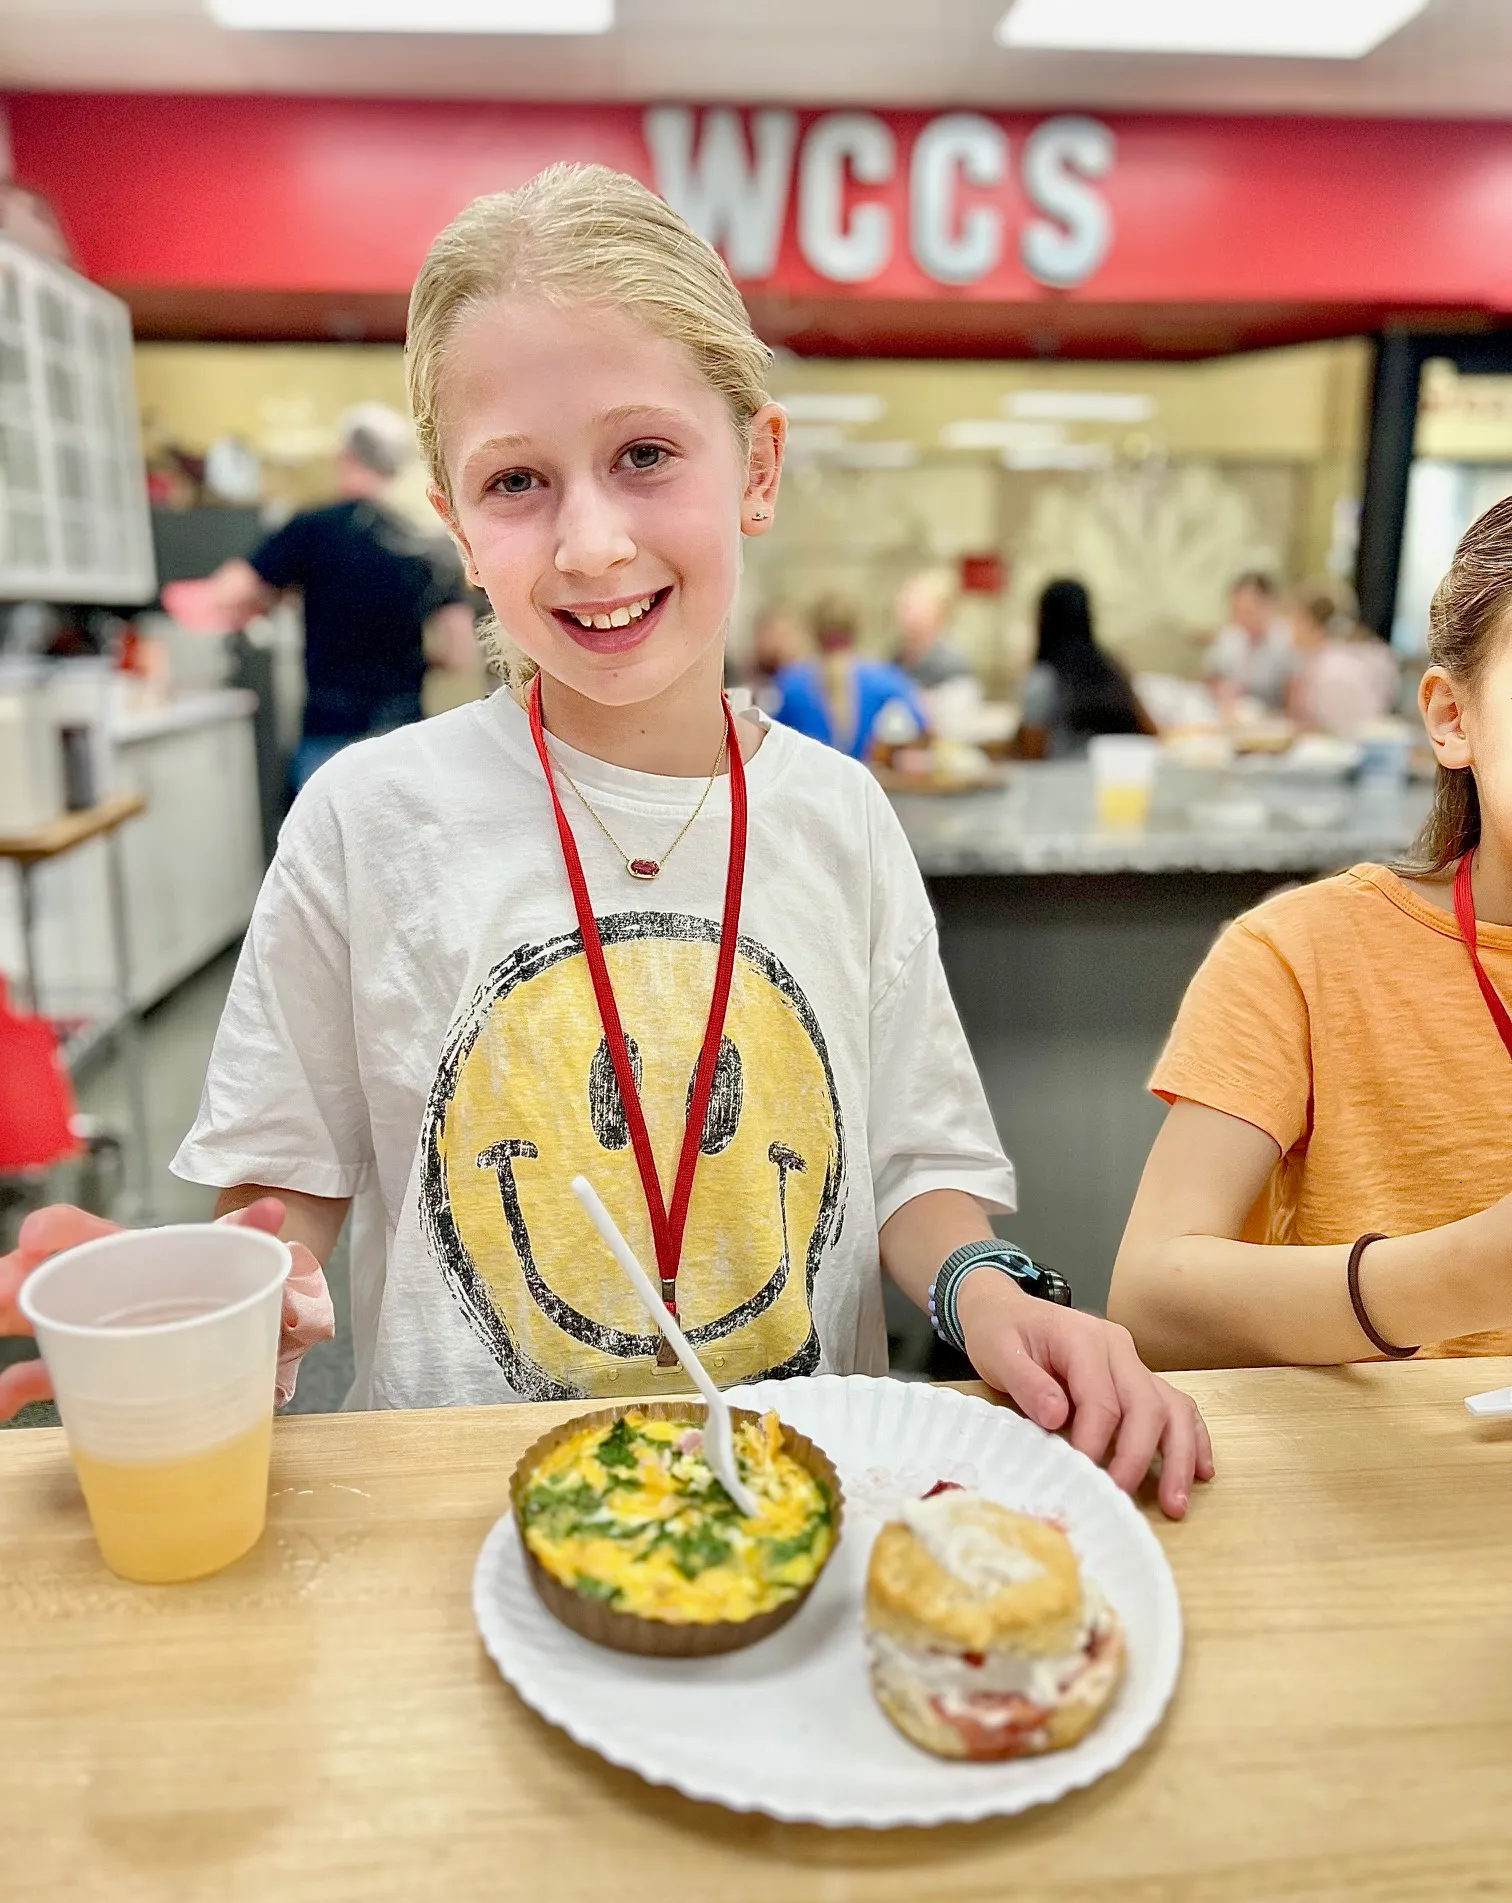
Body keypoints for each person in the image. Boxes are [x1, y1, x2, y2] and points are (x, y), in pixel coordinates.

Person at [0, 165, 1209, 1516]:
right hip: (454, 1520)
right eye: (516, 480)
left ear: (755, 468)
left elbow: (914, 1169)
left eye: (645, 455)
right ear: (458, 530)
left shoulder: (837, 815)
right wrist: (214, 1303)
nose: (589, 542)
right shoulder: (367, 816)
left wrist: (996, 1290)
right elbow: (280, 1195)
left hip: (799, 1507)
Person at [1108, 496, 1512, 1369]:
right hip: (1387, 1484)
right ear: (1453, 719)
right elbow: (1151, 1300)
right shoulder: (1304, 958)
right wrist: (1471, 1272)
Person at [163, 403, 480, 790]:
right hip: (405, 728)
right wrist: (404, 657)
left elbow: (230, 593)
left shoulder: (314, 529)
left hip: (331, 733)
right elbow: (459, 654)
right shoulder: (428, 545)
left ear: (345, 458)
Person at [769, 596, 927, 760]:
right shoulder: (886, 680)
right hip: (871, 780)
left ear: (813, 632)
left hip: (808, 781)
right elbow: (921, 725)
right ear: (858, 629)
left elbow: (772, 741)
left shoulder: (791, 683)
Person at [1018, 578, 1155, 759]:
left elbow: (1032, 754)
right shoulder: (1111, 669)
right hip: (1113, 777)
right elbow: (1150, 731)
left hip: (1060, 781)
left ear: (1043, 620)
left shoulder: (1042, 679)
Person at [1286, 579, 1400, 738]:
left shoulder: (1334, 671)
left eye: (1295, 621)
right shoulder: (1314, 662)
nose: (1289, 628)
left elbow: (1344, 731)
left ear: (1310, 623)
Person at [1203, 570, 1295, 711]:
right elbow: (1212, 676)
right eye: (1236, 609)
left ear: (1268, 605)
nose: (1241, 617)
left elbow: (1293, 702)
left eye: (1247, 610)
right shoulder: (1230, 636)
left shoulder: (1288, 641)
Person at [893, 569, 976, 692]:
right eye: (905, 606)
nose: (908, 615)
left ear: (939, 613)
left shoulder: (951, 665)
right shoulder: (897, 658)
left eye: (917, 607)